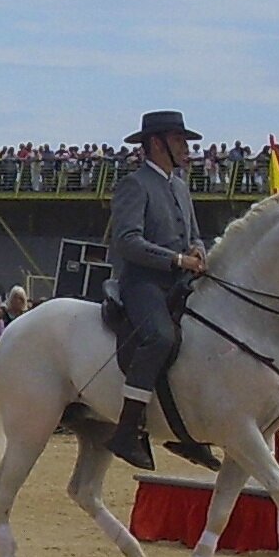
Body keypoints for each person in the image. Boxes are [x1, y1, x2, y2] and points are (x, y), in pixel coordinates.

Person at [104, 110, 213, 471]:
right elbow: (127, 241)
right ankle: (127, 430)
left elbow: (193, 232)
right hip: (142, 282)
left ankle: (190, 434)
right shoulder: (135, 184)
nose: (186, 148)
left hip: (182, 279)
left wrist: (197, 249)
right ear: (156, 143)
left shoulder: (180, 186)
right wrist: (178, 259)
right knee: (160, 338)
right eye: (179, 140)